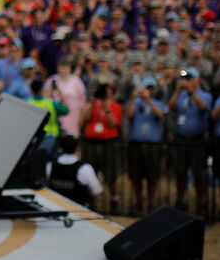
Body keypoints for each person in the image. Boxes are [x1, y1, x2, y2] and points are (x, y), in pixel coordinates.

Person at [167, 68, 211, 215]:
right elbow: (171, 107)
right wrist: (178, 91)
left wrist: (191, 92)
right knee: (180, 173)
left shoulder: (205, 95)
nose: (188, 80)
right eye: (186, 78)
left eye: (191, 78)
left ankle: (201, 204)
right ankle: (180, 202)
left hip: (197, 140)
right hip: (181, 139)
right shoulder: (180, 95)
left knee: (198, 174)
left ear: (197, 79)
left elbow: (203, 107)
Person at [125, 77, 166, 215]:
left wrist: (148, 101)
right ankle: (137, 203)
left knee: (152, 177)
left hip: (152, 145)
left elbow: (160, 115)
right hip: (136, 144)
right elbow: (128, 114)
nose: (147, 91)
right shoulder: (134, 103)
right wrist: (133, 98)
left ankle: (151, 203)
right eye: (145, 88)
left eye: (150, 88)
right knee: (136, 176)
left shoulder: (158, 103)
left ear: (153, 90)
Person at [81, 82, 122, 210]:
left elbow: (112, 124)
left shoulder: (115, 106)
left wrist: (106, 106)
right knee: (90, 170)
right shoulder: (92, 105)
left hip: (108, 142)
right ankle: (90, 200)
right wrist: (93, 101)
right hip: (91, 142)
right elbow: (84, 117)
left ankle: (113, 198)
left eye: (107, 90)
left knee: (110, 172)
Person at [47, 135, 104, 209]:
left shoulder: (50, 166)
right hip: (78, 212)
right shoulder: (85, 168)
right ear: (77, 148)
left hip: (55, 209)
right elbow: (96, 194)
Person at [27, 78, 68, 159]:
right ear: (42, 89)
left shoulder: (28, 103)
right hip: (51, 137)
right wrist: (59, 92)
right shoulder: (51, 103)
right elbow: (66, 110)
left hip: (32, 137)